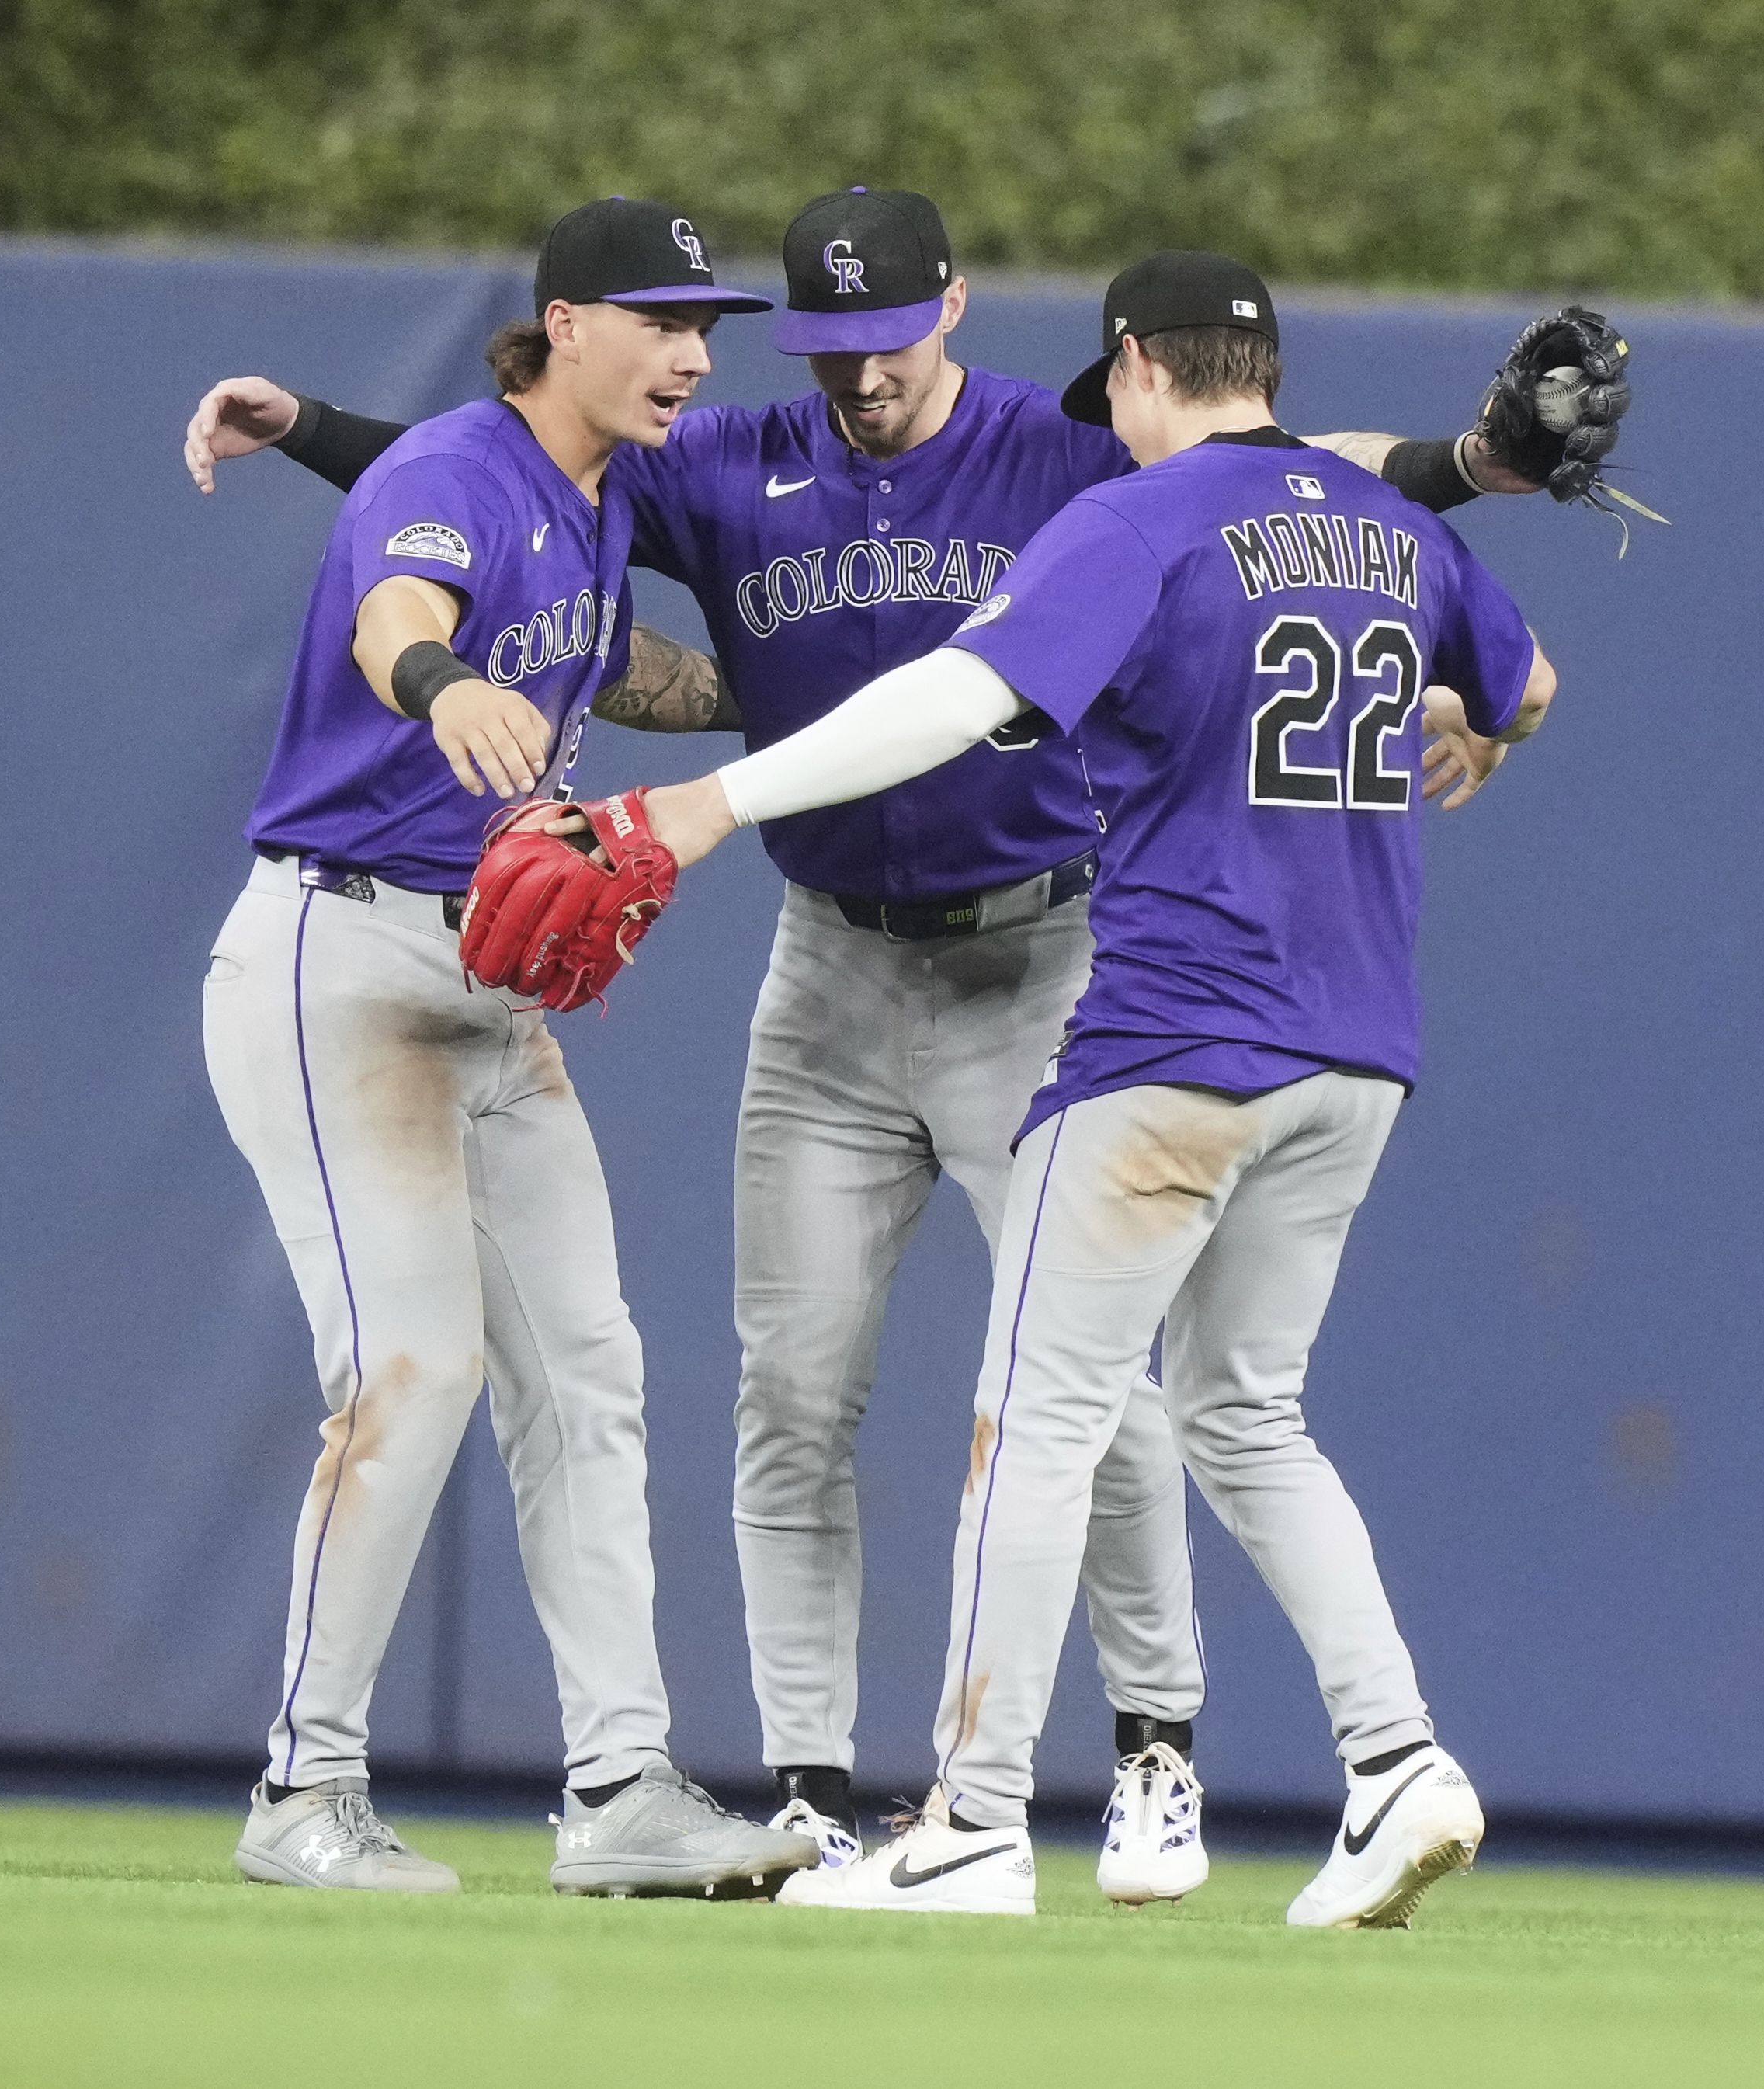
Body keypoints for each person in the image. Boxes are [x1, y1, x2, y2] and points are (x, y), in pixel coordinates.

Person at [182, 189, 1562, 1904]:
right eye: (812, 345)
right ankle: (825, 1792)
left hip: (1048, 962)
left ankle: (1103, 1771)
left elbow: (1267, 455)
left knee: (1061, 1403)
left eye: (881, 342)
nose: (846, 376)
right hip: (792, 968)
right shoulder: (699, 464)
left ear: (978, 317)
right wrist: (323, 447)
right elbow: (477, 498)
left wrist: (1467, 459)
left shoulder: (1062, 451)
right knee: (817, 1396)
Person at [627, 249, 1557, 1924]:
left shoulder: (1139, 520)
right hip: (1357, 1050)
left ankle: (973, 1821)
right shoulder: (1400, 534)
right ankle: (1399, 1758)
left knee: (1034, 1422)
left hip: (1174, 1041)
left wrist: (712, 800)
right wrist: (1481, 731)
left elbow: (950, 697)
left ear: (1136, 364)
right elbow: (1526, 680)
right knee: (1241, 1412)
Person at [207, 196, 817, 1900]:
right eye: (660, 318)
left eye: (707, 325)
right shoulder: (453, 473)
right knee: (413, 1367)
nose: (693, 352)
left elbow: (627, 669)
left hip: (485, 984)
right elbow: (396, 611)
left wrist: (824, 691)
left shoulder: (596, 497)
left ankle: (620, 1788)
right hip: (338, 958)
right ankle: (302, 1791)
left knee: (590, 1374)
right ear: (563, 321)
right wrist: (433, 686)